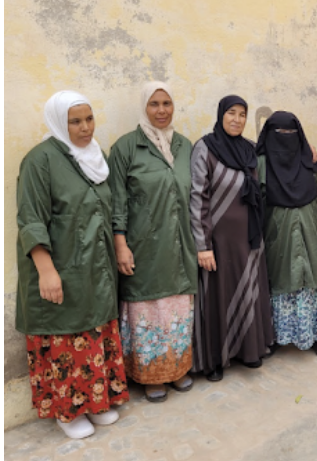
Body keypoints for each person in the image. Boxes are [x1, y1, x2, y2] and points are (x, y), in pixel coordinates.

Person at [17, 90, 128, 439]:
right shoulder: (40, 161)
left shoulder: (97, 157)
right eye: (75, 121)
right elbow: (31, 219)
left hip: (97, 267)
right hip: (62, 267)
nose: (84, 127)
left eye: (89, 119)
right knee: (67, 339)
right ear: (58, 123)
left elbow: (109, 209)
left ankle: (96, 403)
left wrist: (120, 248)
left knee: (95, 332)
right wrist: (46, 270)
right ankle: (67, 412)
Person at [108, 82, 197, 401]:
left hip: (179, 247)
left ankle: (177, 370)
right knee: (148, 310)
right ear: (144, 107)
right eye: (154, 104)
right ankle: (150, 375)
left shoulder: (185, 146)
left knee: (176, 310)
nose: (161, 110)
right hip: (143, 246)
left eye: (167, 103)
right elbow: (116, 198)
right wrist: (121, 243)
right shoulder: (126, 148)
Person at [189, 95, 273, 382]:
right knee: (218, 296)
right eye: (231, 113)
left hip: (248, 238)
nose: (237, 119)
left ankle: (248, 351)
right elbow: (198, 197)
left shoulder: (251, 149)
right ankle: (215, 359)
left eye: (242, 114)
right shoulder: (205, 148)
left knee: (248, 290)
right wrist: (203, 245)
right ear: (221, 114)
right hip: (219, 241)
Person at [257, 111, 317, 357]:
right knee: (280, 281)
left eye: (291, 133)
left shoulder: (308, 160)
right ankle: (279, 337)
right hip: (277, 231)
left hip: (310, 228)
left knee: (310, 280)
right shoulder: (260, 163)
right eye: (279, 134)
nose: (285, 139)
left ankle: (316, 337)